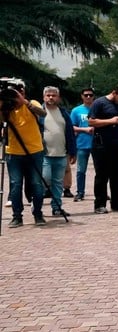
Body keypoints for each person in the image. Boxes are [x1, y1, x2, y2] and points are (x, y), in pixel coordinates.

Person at [0, 81, 47, 227]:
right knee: (15, 184)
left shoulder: (32, 104)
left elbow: (43, 113)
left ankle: (38, 214)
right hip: (14, 152)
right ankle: (17, 216)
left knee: (36, 183)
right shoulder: (7, 109)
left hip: (34, 150)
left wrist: (24, 102)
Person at [89, 84, 118, 214]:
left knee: (116, 176)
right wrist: (111, 121)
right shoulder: (99, 103)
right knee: (102, 175)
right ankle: (100, 204)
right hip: (101, 145)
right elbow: (91, 121)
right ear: (114, 92)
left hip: (117, 144)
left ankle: (116, 203)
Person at [40, 86, 77, 218]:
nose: (51, 97)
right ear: (44, 97)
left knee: (58, 183)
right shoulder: (39, 112)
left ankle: (57, 208)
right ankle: (36, 206)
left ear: (58, 98)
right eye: (48, 95)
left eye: (53, 95)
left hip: (61, 153)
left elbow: (70, 133)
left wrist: (73, 152)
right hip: (44, 154)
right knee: (45, 179)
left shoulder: (63, 113)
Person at [69, 88, 96, 202]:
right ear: (82, 96)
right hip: (82, 143)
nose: (88, 97)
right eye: (86, 95)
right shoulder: (76, 111)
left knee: (100, 171)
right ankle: (80, 192)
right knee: (81, 170)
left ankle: (100, 192)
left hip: (97, 144)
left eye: (90, 95)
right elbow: (71, 127)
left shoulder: (98, 108)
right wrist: (84, 129)